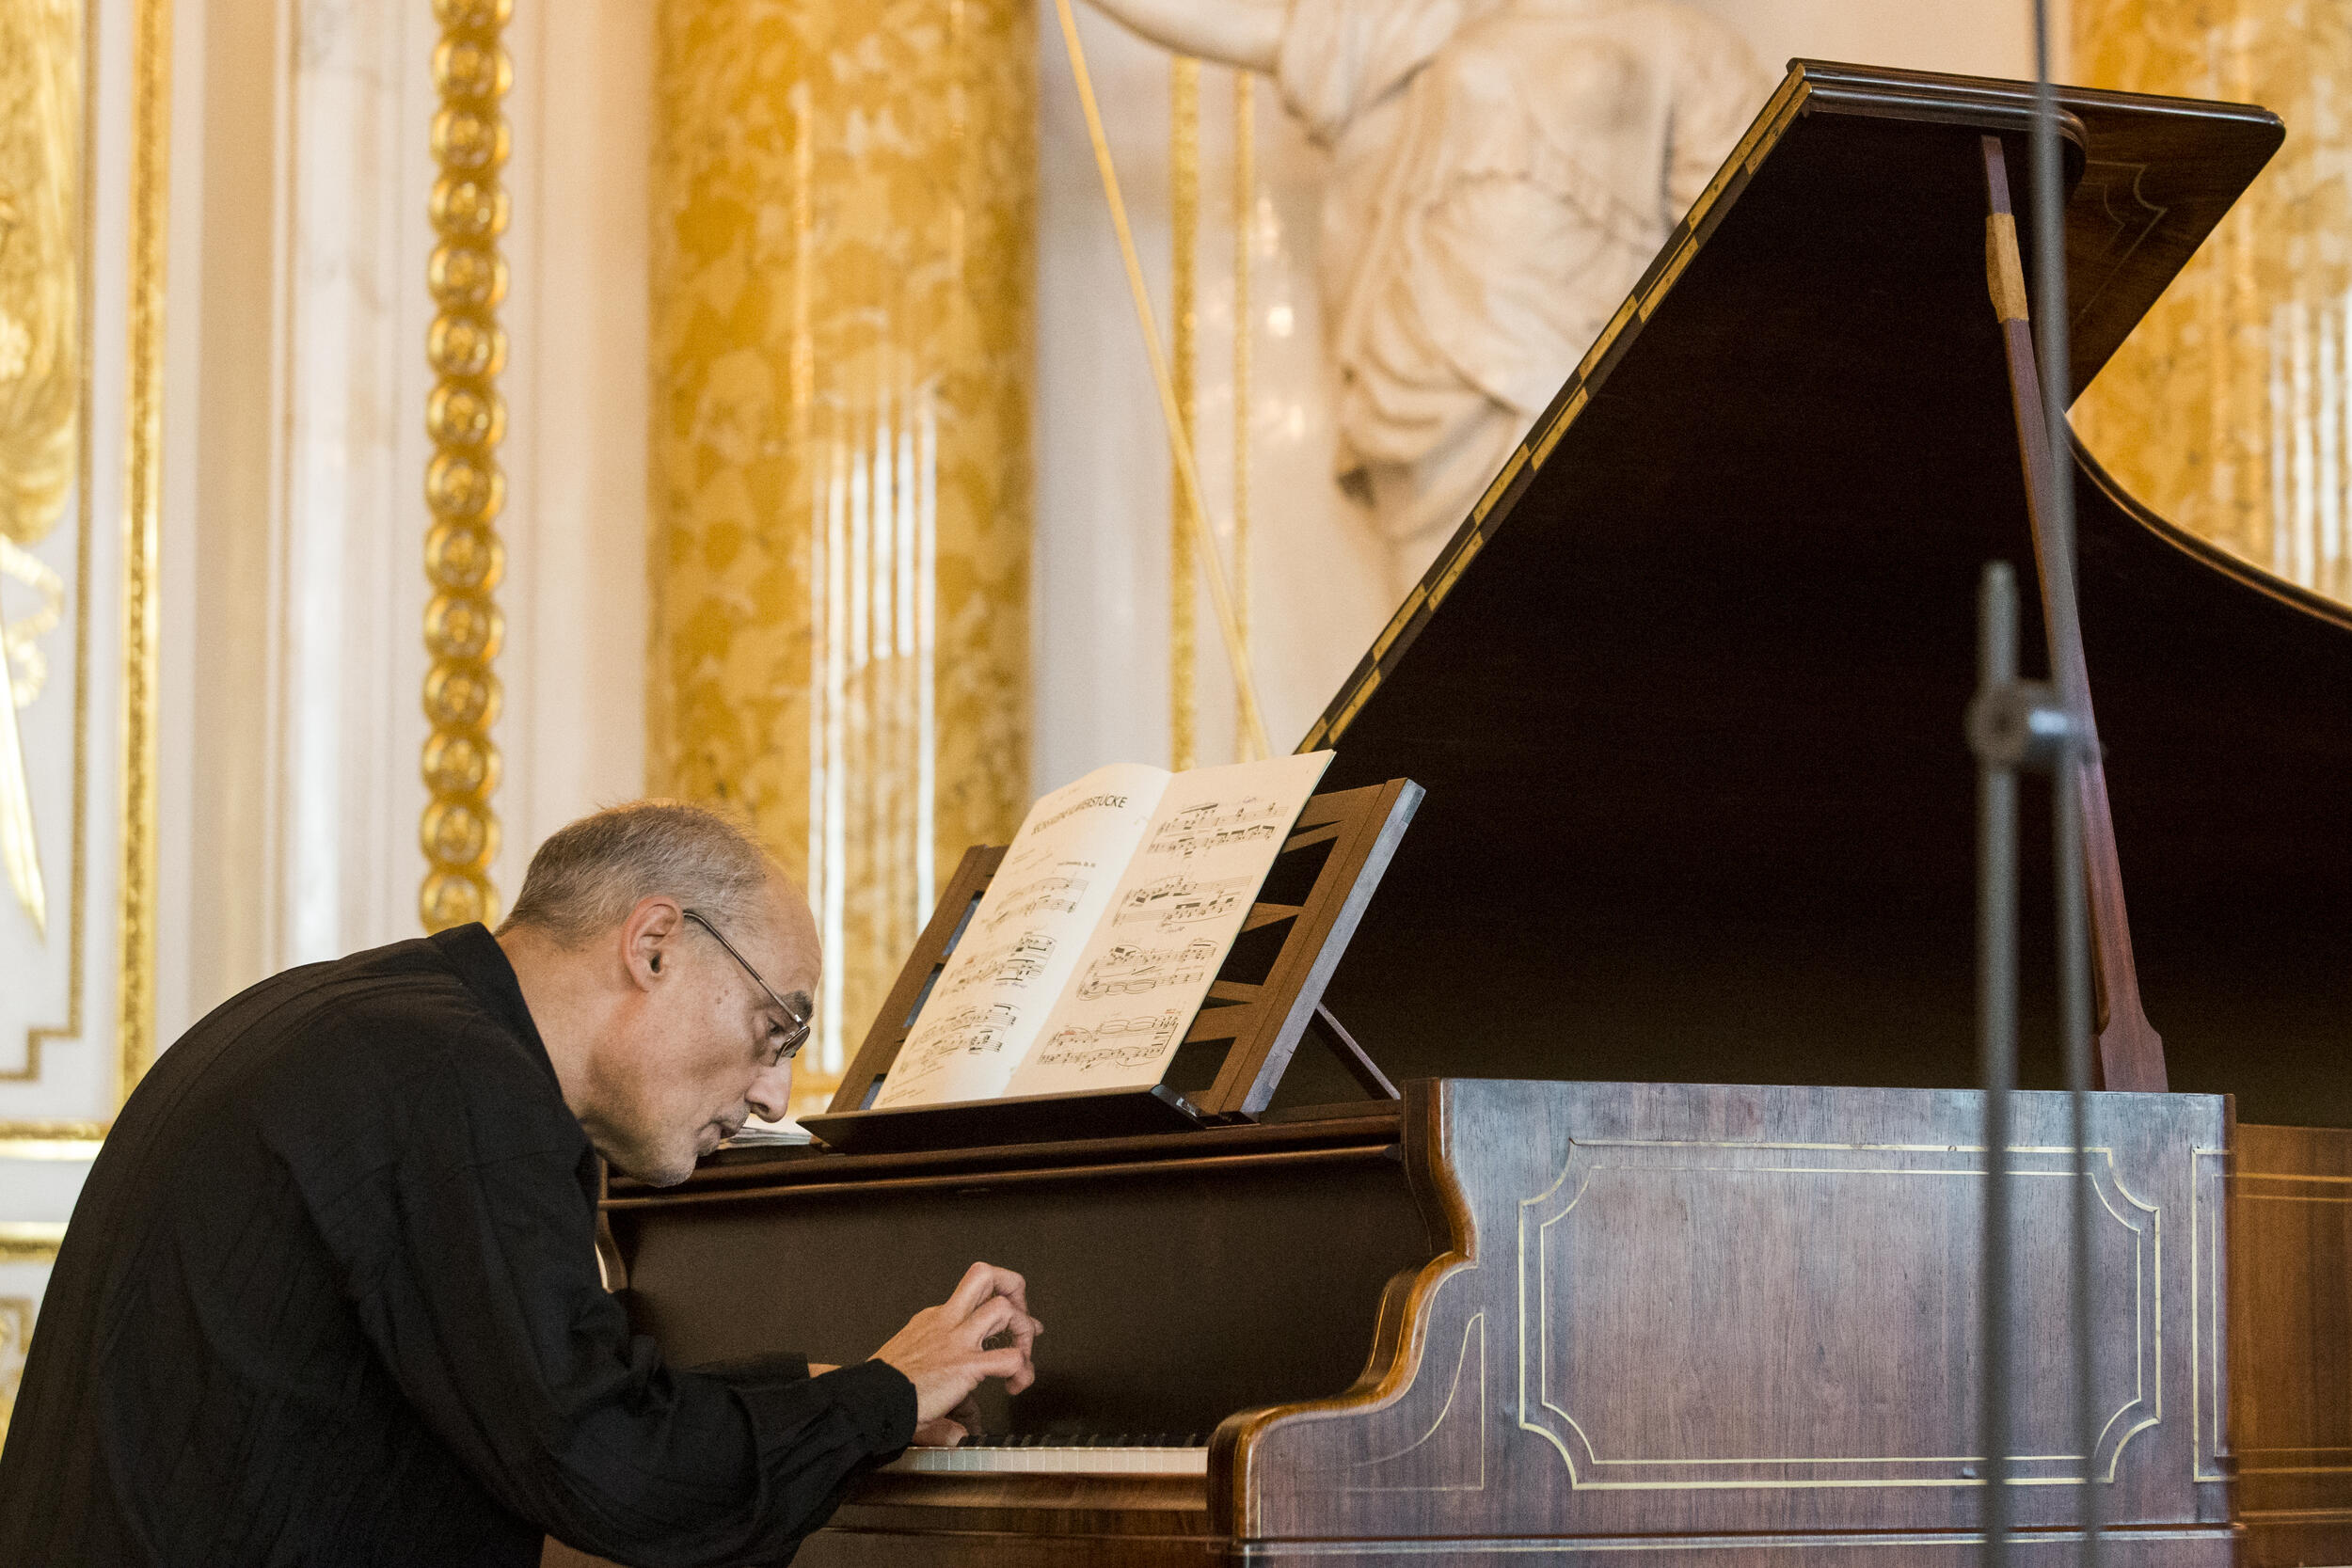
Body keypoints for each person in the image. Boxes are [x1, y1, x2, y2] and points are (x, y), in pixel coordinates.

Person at [0, 801, 1039, 1565]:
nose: (775, 1093)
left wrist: (819, 1392)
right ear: (654, 946)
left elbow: (539, 1394)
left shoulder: (371, 1023)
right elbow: (611, 1469)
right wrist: (879, 1398)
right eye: (777, 1027)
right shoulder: (461, 1082)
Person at [1081, 0, 1771, 596]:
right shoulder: (1430, 21)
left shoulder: (1684, 39)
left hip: (1576, 363)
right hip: (1424, 375)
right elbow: (1246, 27)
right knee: (1448, 654)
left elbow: (1745, 238)